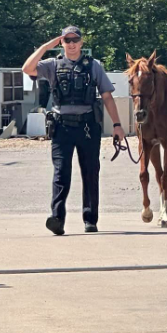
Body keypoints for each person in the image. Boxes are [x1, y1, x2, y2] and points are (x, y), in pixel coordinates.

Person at [22, 26, 127, 235]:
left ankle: (90, 219)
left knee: (90, 173)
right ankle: (57, 219)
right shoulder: (52, 65)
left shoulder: (93, 66)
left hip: (87, 126)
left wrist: (117, 125)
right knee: (61, 173)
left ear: (81, 43)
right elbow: (27, 69)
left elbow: (107, 96)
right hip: (62, 127)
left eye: (75, 40)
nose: (71, 44)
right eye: (67, 40)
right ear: (62, 43)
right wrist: (46, 46)